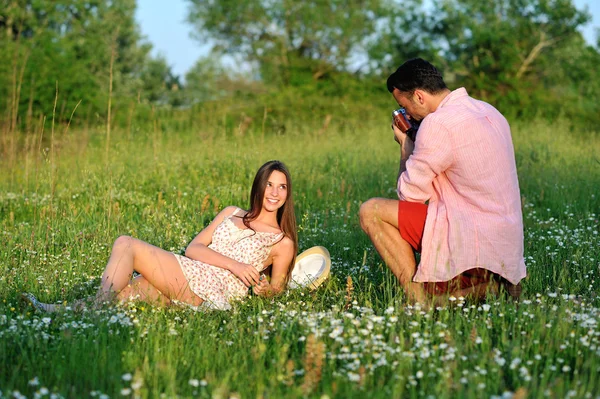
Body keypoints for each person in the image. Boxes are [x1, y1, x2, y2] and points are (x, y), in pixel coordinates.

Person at [23, 160, 298, 311]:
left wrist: (265, 291)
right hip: (191, 270)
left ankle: (88, 310)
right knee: (128, 294)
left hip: (212, 289)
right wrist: (235, 264)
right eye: (269, 185)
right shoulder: (231, 212)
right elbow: (193, 249)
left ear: (288, 193)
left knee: (125, 243)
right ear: (258, 187)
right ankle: (61, 312)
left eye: (282, 187)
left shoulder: (281, 241)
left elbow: (277, 288)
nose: (274, 193)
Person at [359, 58, 526, 305]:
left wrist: (405, 146)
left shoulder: (438, 124)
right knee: (445, 297)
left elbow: (410, 196)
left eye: (404, 106)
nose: (408, 114)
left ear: (419, 96)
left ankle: (419, 304)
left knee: (370, 210)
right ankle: (491, 287)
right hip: (506, 247)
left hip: (472, 241)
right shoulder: (490, 111)